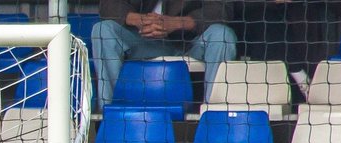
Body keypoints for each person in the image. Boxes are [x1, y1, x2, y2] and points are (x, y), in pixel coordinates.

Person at [92, 0, 237, 106]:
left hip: (191, 42)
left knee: (223, 35)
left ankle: (215, 119)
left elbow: (222, 9)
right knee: (103, 30)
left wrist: (176, 23)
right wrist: (141, 20)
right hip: (145, 40)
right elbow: (108, 5)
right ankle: (110, 118)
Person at [234, 1, 341, 98]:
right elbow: (233, 5)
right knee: (266, 22)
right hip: (254, 29)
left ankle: (303, 79)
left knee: (300, 15)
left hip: (298, 33)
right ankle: (301, 78)